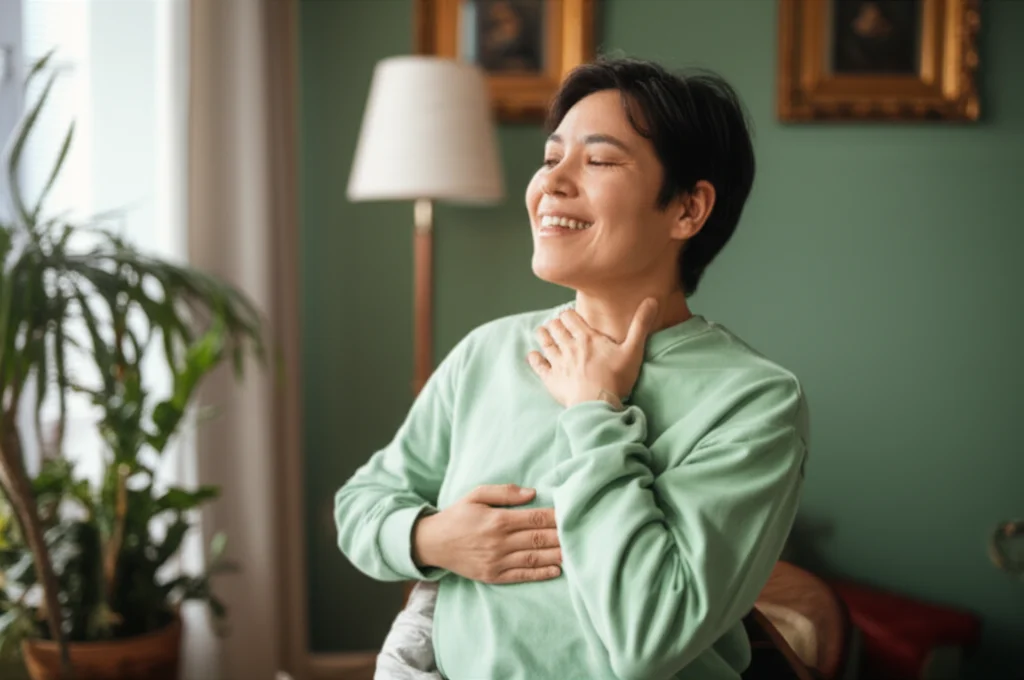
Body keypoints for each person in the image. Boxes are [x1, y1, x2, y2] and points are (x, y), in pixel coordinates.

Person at [335, 57, 809, 680]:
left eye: (601, 160)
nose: (552, 182)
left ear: (688, 210)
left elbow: (650, 639)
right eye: (551, 156)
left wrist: (594, 412)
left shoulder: (755, 401)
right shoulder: (490, 351)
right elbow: (361, 504)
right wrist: (433, 539)